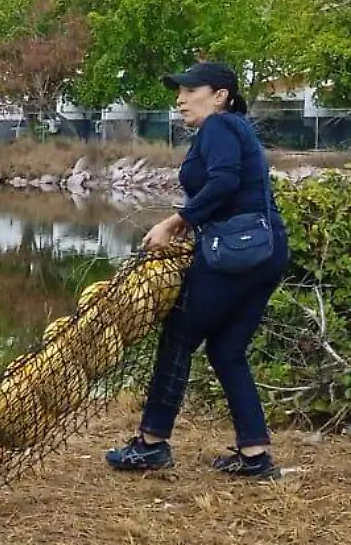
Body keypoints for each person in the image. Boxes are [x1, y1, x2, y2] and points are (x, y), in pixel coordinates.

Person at [106, 62, 287, 481]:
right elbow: (237, 190)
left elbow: (223, 183)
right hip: (267, 249)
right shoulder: (236, 128)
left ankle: (151, 444)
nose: (180, 99)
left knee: (178, 336)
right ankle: (255, 454)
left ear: (220, 94)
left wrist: (174, 223)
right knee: (226, 351)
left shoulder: (219, 128)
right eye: (179, 92)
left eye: (191, 91)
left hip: (234, 254)